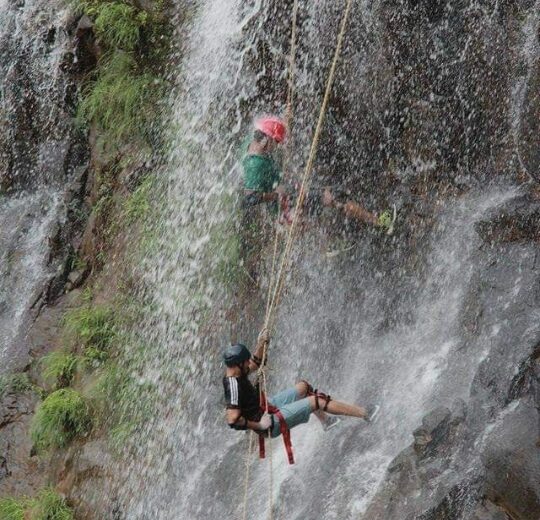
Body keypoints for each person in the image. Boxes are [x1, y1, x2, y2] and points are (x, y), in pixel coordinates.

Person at [241, 115, 396, 234]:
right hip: (285, 202)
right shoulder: (256, 164)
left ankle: (333, 236)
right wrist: (276, 194)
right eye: (275, 143)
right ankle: (380, 223)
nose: (276, 147)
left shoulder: (252, 142)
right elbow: (249, 198)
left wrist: (284, 123)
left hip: (285, 192)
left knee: (321, 196)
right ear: (265, 140)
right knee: (332, 197)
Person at [222, 330, 380, 440]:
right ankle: (366, 413)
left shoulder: (236, 371)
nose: (248, 363)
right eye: (245, 361)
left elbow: (256, 363)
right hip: (269, 421)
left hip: (265, 406)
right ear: (238, 364)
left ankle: (327, 422)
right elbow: (233, 419)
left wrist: (262, 343)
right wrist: (260, 425)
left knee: (303, 387)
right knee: (316, 401)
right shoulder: (233, 385)